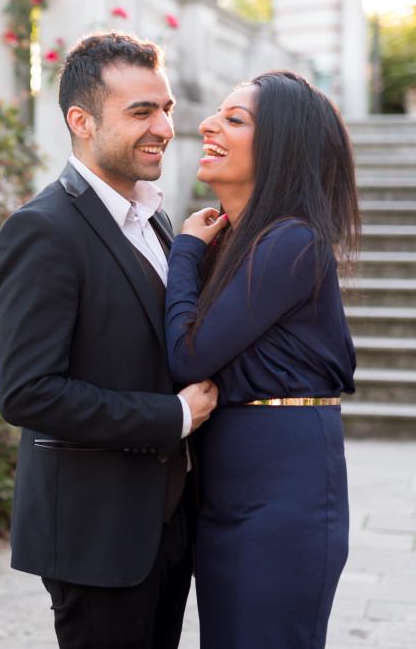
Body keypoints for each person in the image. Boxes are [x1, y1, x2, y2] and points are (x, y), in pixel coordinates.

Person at [0, 32, 218, 649]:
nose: (165, 127)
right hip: (95, 534)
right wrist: (170, 415)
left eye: (166, 108)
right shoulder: (42, 231)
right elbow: (27, 393)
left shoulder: (157, 219)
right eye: (141, 111)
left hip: (166, 523)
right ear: (82, 121)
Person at [165, 70, 360, 649]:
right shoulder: (244, 241)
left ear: (280, 146)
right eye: (217, 113)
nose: (207, 125)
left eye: (235, 119)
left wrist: (185, 251)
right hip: (231, 491)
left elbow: (188, 354)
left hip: (282, 496)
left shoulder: (291, 240)